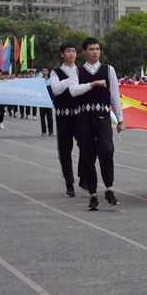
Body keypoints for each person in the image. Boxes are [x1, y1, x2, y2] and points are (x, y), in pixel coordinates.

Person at [69, 37, 125, 210]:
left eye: (97, 49)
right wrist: (92, 84)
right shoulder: (76, 72)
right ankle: (93, 195)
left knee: (107, 150)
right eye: (92, 49)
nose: (95, 52)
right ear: (84, 52)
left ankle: (109, 189)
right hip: (84, 118)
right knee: (88, 156)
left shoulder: (108, 69)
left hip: (102, 117)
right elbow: (73, 91)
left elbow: (114, 94)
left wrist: (120, 119)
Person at [51, 42, 83, 197]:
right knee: (65, 151)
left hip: (80, 116)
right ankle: (69, 184)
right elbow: (55, 90)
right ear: (62, 54)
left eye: (74, 51)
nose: (71, 54)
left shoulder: (81, 71)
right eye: (68, 51)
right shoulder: (56, 72)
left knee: (86, 146)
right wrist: (70, 79)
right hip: (63, 116)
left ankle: (83, 177)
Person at [39, 67, 54, 136]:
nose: (44, 72)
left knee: (49, 116)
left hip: (48, 100)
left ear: (48, 72)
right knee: (42, 117)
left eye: (45, 70)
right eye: (43, 70)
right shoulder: (39, 81)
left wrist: (52, 99)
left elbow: (52, 90)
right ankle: (43, 131)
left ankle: (51, 131)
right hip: (42, 101)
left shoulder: (50, 80)